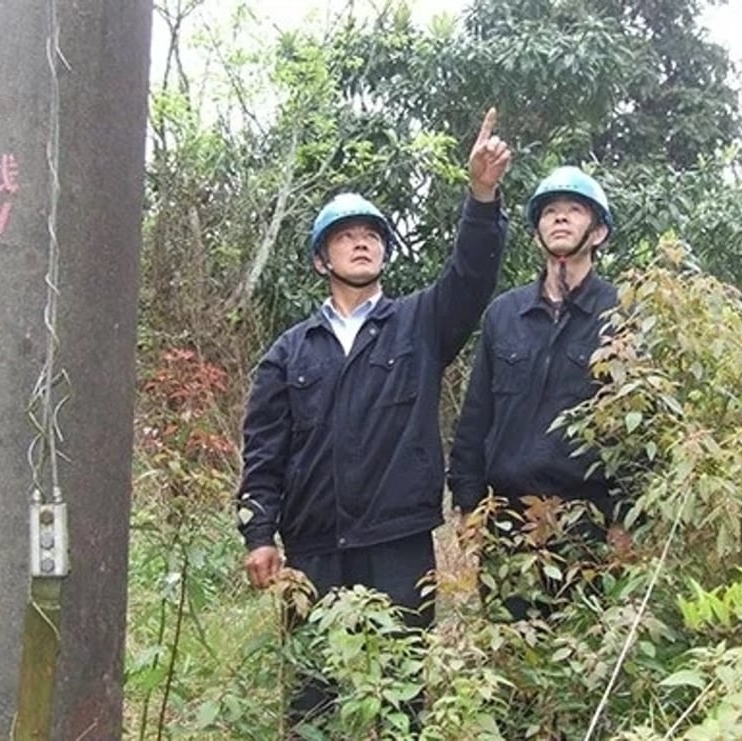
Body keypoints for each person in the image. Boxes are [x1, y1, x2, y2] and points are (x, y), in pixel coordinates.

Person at [235, 108, 510, 730]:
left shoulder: (421, 324)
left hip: (397, 544)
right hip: (312, 549)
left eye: (372, 235)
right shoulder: (289, 351)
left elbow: (472, 276)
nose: (362, 242)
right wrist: (258, 536)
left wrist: (482, 196)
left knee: (401, 698)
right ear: (319, 259)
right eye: (346, 235)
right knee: (314, 699)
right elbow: (264, 452)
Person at [447, 166, 620, 619]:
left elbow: (640, 430)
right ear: (536, 231)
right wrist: (468, 505)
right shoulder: (504, 314)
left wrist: (627, 520)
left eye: (574, 210)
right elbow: (476, 416)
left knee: (582, 664)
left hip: (589, 527)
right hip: (507, 523)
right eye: (549, 212)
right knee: (510, 665)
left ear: (598, 231)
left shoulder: (623, 315)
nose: (560, 219)